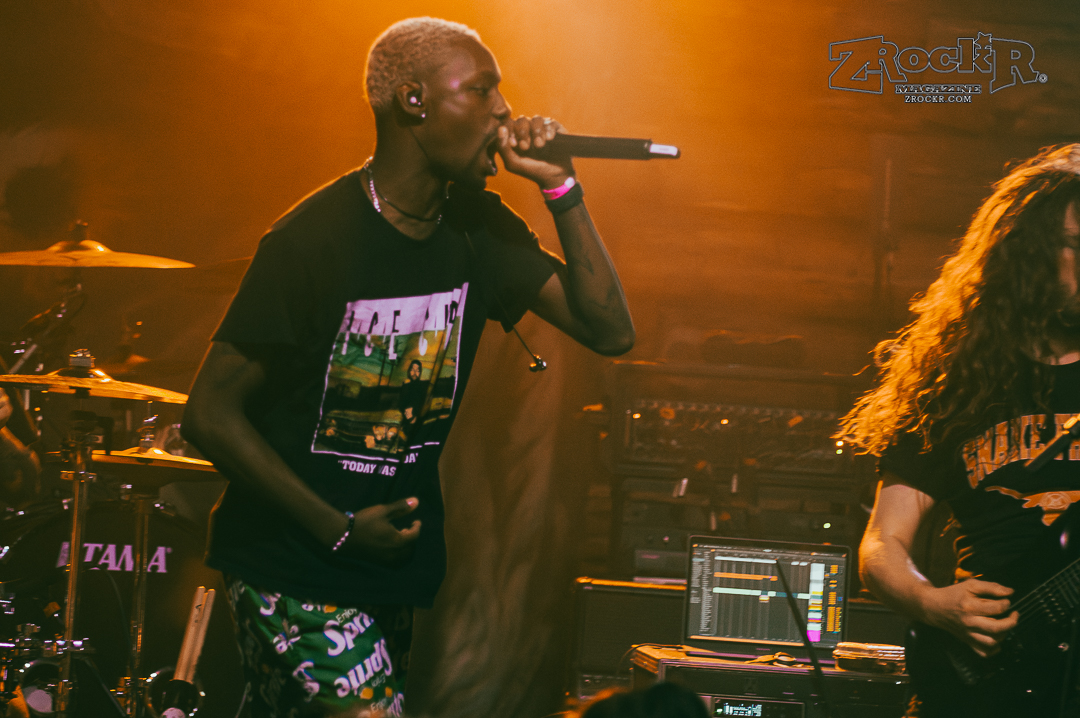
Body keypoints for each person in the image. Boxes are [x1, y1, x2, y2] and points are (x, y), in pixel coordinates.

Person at [181, 16, 634, 718]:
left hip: (385, 570)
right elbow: (209, 413)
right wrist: (335, 526)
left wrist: (561, 188)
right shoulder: (312, 241)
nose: (504, 112)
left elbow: (610, 331)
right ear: (413, 100)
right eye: (481, 90)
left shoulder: (479, 231)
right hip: (290, 564)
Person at [838, 144, 1080, 716]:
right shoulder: (955, 381)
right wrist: (934, 603)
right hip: (986, 673)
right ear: (1029, 253)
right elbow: (883, 543)